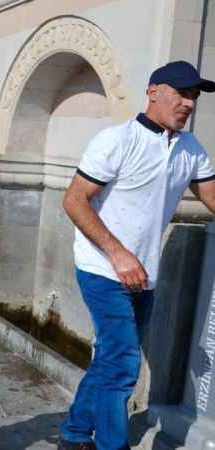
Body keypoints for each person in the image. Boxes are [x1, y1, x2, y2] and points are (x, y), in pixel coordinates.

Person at [59, 61, 215, 450]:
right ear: (153, 91)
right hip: (102, 267)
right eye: (181, 93)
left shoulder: (191, 149)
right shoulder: (116, 140)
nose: (189, 104)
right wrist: (118, 254)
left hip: (146, 274)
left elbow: (212, 196)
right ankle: (113, 444)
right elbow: (75, 201)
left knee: (111, 358)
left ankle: (74, 433)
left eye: (194, 96)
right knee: (124, 363)